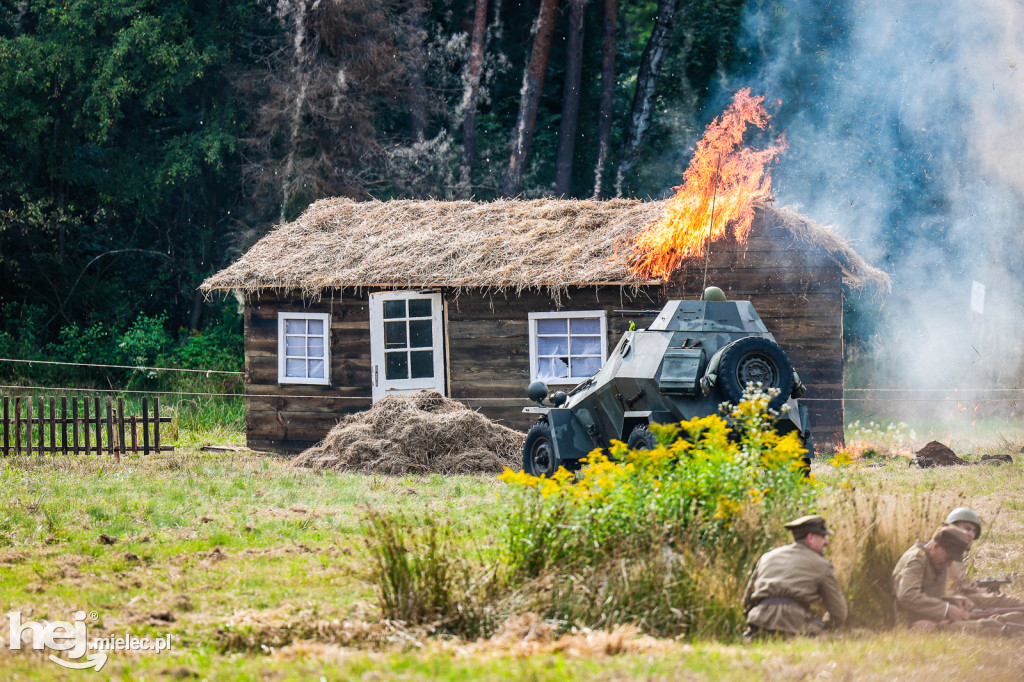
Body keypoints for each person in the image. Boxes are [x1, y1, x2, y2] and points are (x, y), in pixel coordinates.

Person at [743, 515, 847, 638]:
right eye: (823, 537)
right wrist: (824, 625)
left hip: (758, 622)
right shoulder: (822, 565)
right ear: (810, 538)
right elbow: (838, 613)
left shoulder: (767, 557)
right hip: (795, 625)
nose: (826, 542)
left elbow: (747, 600)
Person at [892, 524, 975, 627]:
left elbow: (925, 596)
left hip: (931, 620)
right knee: (982, 627)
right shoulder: (917, 560)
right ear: (935, 546)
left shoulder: (935, 560)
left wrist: (950, 601)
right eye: (948, 558)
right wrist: (946, 609)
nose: (949, 564)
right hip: (914, 625)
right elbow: (907, 595)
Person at [943, 507, 1024, 612]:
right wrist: (979, 590)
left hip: (951, 599)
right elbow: (960, 584)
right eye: (967, 529)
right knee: (1007, 602)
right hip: (952, 600)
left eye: (974, 531)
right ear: (952, 527)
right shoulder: (949, 550)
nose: (971, 534)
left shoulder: (949, 547)